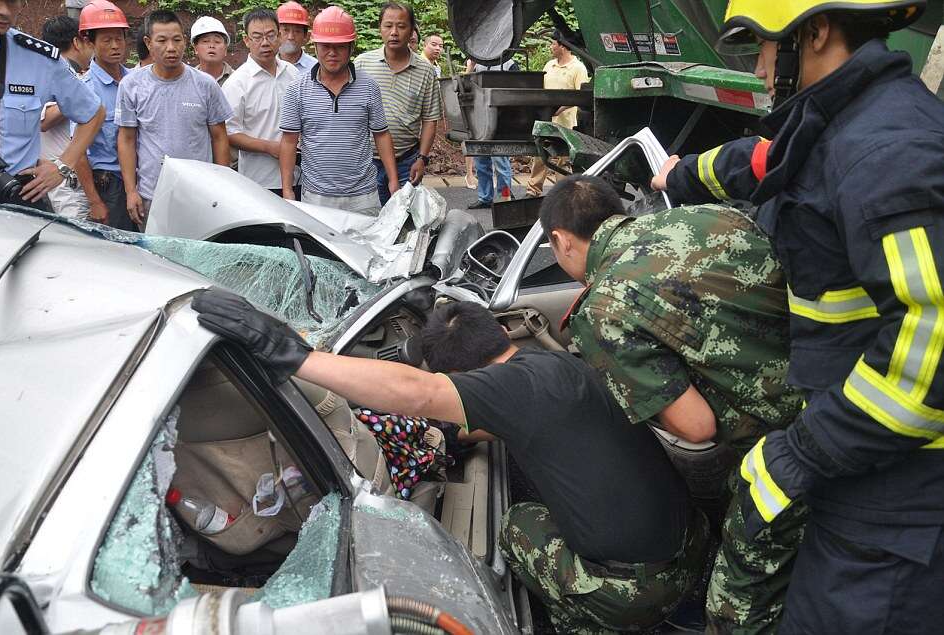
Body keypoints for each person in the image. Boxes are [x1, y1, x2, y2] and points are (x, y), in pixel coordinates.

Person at [652, 2, 944, 633]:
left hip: (900, 505)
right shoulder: (841, 120)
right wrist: (683, 177)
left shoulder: (886, 151)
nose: (758, 66)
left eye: (761, 44)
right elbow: (764, 161)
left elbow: (935, 342)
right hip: (865, 466)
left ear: (814, 32)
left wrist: (800, 455)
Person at [190, 290, 710, 633]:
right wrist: (449, 435)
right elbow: (486, 421)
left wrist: (296, 357)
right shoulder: (550, 367)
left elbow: (416, 395)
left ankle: (590, 621)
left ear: (461, 377)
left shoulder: (510, 389)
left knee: (517, 525)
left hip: (638, 589)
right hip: (692, 543)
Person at [543, 175, 806, 634]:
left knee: (737, 600)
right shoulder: (709, 215)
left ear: (560, 240)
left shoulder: (606, 306)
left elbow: (697, 426)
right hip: (845, 391)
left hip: (794, 447)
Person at [115, 9, 232, 229]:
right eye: (162, 40)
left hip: (201, 194)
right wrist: (131, 191)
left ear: (185, 42)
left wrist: (221, 186)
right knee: (155, 258)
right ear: (148, 43)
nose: (171, 47)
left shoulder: (206, 85)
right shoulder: (131, 85)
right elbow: (127, 140)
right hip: (153, 193)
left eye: (176, 40)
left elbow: (219, 137)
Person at [0, 0, 103, 212]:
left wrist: (62, 166)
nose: (4, 11)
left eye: (12, 2)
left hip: (17, 195)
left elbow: (94, 113)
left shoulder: (39, 58)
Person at [278, 5, 398, 214]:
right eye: (325, 46)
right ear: (315, 46)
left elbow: (382, 135)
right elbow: (289, 141)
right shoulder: (297, 89)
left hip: (363, 196)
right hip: (315, 196)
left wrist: (393, 182)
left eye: (340, 46)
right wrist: (287, 190)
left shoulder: (369, 87)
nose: (332, 53)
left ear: (351, 47)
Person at [354, 2, 441, 206]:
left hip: (406, 162)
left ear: (412, 31)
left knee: (402, 223)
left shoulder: (425, 71)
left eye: (401, 27)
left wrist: (423, 158)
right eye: (388, 26)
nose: (394, 32)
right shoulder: (361, 64)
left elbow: (430, 119)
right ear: (380, 28)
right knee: (369, 221)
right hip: (367, 162)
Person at [223, 8, 299, 197]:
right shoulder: (238, 82)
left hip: (298, 177)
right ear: (246, 40)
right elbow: (228, 132)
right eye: (257, 37)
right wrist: (269, 147)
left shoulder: (293, 73)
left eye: (270, 35)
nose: (265, 43)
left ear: (280, 36)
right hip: (259, 180)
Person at [80, 0, 134, 230]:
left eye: (119, 38)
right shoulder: (87, 89)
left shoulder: (135, 80)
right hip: (109, 185)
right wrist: (95, 201)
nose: (115, 46)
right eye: (106, 40)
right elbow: (78, 152)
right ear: (89, 41)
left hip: (141, 180)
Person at [39, 15, 93, 219]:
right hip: (64, 178)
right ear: (77, 42)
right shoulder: (53, 73)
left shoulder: (74, 73)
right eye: (90, 41)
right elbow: (44, 120)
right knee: (76, 238)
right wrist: (82, 94)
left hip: (76, 174)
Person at [526, 37, 589, 198]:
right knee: (540, 155)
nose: (550, 47)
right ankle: (533, 190)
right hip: (546, 120)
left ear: (563, 46)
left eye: (553, 44)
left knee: (563, 159)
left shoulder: (578, 68)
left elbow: (580, 95)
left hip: (566, 122)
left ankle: (564, 194)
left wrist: (560, 109)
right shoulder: (549, 65)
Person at [466, 59, 517, 210]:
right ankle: (485, 197)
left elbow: (517, 90)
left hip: (501, 120)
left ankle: (505, 196)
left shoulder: (509, 64)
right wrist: (471, 67)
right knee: (481, 162)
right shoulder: (479, 64)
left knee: (501, 162)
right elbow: (466, 87)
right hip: (480, 119)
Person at [191, 16, 233, 85]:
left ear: (225, 49)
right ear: (195, 48)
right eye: (205, 41)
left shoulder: (237, 79)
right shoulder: (189, 80)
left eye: (217, 41)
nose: (212, 46)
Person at [276, 1, 316, 73]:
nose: (290, 37)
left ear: (306, 36)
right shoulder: (267, 65)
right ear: (276, 33)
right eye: (286, 30)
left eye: (297, 31)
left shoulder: (315, 68)